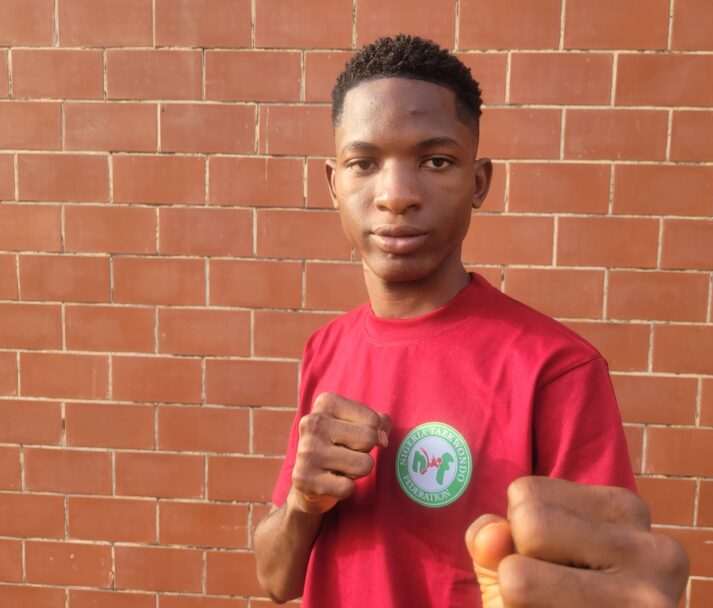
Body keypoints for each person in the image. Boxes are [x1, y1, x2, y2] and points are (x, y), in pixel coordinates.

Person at [253, 35, 688, 607]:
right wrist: (302, 504)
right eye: (365, 164)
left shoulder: (556, 369)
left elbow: (601, 586)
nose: (396, 195)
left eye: (436, 161)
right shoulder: (325, 349)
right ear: (334, 183)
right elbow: (276, 581)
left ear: (478, 182)